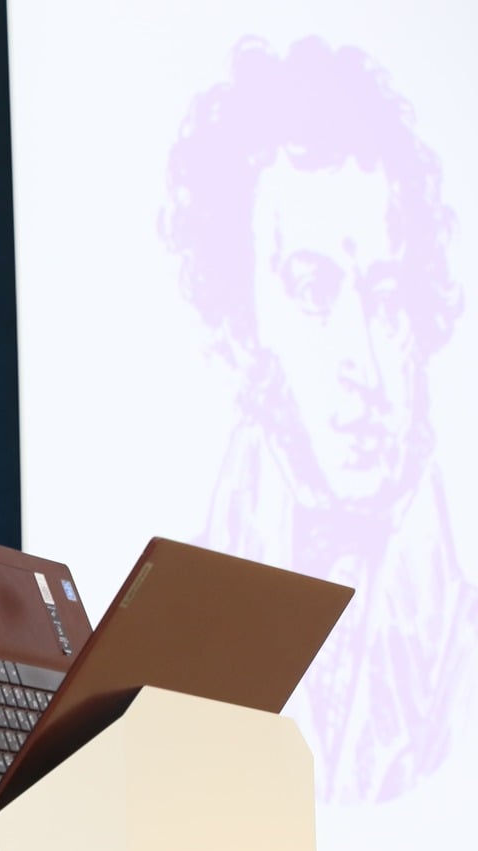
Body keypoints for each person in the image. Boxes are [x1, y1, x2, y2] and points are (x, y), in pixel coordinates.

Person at [160, 36, 474, 802]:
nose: (364, 361)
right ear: (245, 317)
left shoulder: (453, 612)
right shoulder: (189, 595)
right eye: (312, 290)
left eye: (387, 294)